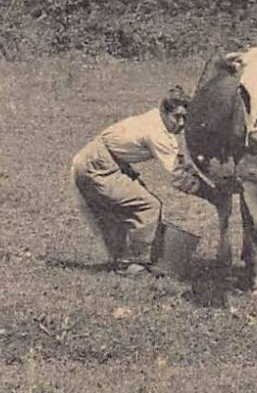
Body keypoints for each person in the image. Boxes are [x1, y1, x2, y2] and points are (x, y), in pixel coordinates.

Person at [71, 86, 207, 277]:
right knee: (148, 206)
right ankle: (130, 264)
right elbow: (178, 175)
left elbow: (181, 161)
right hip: (96, 164)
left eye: (186, 118)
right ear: (164, 112)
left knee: (137, 204)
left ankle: (146, 256)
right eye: (177, 117)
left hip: (109, 160)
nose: (181, 123)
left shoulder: (158, 122)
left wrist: (204, 177)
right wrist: (211, 192)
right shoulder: (156, 133)